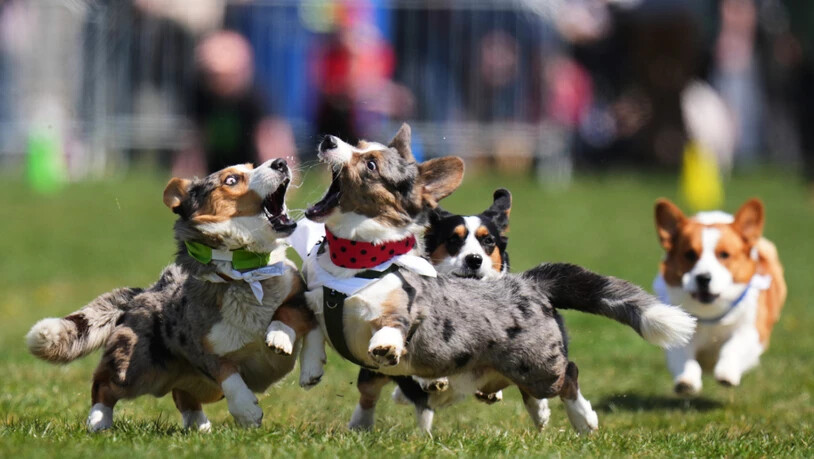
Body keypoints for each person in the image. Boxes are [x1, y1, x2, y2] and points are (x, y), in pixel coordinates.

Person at [173, 30, 295, 176]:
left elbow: (271, 140)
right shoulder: (201, 96)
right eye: (212, 76)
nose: (218, 82)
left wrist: (281, 174)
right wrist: (183, 175)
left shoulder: (254, 99)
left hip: (251, 170)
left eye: (223, 76)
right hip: (216, 171)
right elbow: (195, 141)